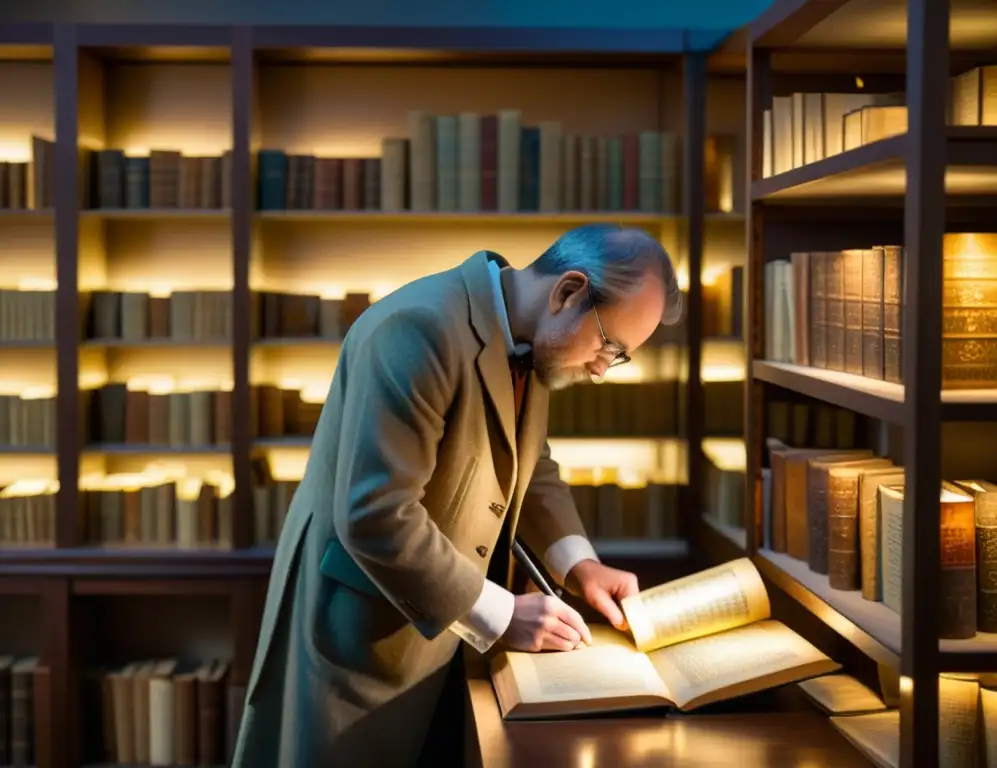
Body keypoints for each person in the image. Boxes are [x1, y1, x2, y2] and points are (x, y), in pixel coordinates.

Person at [232, 223, 684, 766]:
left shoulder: (540, 338)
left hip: (448, 636)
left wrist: (579, 564)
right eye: (609, 346)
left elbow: (529, 463)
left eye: (619, 357)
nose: (601, 370)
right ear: (567, 292)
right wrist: (501, 612)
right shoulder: (416, 328)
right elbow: (376, 515)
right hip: (363, 642)